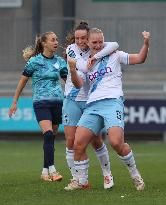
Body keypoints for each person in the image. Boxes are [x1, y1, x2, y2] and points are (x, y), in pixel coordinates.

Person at [67, 28, 150, 190]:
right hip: (92, 105)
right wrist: (72, 69)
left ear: (104, 41)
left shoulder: (115, 54)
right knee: (78, 143)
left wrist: (146, 44)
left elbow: (140, 59)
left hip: (112, 101)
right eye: (94, 42)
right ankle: (82, 182)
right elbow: (78, 84)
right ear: (88, 43)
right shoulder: (85, 64)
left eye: (100, 42)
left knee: (116, 142)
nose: (98, 45)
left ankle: (135, 175)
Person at [63, 21, 119, 190]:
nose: (80, 41)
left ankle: (107, 173)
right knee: (71, 141)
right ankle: (78, 179)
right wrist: (96, 58)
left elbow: (115, 44)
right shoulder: (70, 49)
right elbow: (83, 68)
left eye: (83, 38)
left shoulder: (95, 48)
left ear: (88, 38)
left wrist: (95, 56)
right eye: (77, 38)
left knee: (96, 141)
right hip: (71, 99)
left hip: (91, 100)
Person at [8, 31, 68, 182]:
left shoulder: (60, 61)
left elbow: (68, 81)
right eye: (53, 40)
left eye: (56, 40)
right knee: (48, 134)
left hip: (58, 103)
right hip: (41, 103)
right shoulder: (34, 61)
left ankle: (44, 171)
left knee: (51, 139)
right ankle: (53, 171)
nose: (56, 42)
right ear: (44, 43)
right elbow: (22, 81)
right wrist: (15, 101)